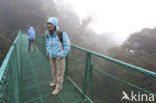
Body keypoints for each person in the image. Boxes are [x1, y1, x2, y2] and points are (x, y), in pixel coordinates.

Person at [45, 17, 70, 95]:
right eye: (48, 24)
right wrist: (48, 52)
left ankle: (58, 88)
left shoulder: (61, 34)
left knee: (60, 73)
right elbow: (47, 44)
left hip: (59, 57)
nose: (49, 25)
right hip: (51, 56)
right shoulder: (48, 34)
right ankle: (55, 82)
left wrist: (62, 54)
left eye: (51, 24)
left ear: (55, 24)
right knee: (53, 71)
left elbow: (67, 45)